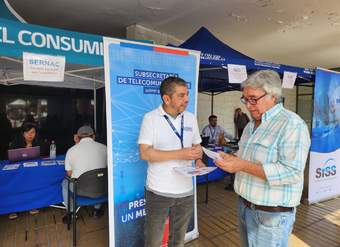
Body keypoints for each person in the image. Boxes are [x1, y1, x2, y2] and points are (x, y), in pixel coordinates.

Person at [215, 70, 311, 247]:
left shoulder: (292, 124)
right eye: (245, 99)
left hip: (271, 216)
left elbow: (292, 172)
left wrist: (241, 164)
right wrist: (230, 158)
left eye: (253, 99)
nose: (248, 106)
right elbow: (245, 157)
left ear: (273, 96)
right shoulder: (252, 125)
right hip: (244, 206)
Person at [138, 76, 204, 247]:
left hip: (186, 191)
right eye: (181, 95)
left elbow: (197, 146)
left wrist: (198, 160)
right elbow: (145, 153)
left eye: (187, 94)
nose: (187, 99)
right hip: (158, 191)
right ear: (166, 99)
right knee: (154, 241)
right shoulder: (150, 118)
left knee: (178, 241)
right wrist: (180, 154)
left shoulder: (190, 118)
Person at [62, 125, 107, 223]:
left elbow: (69, 174)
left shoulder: (71, 151)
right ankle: (96, 210)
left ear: (77, 137)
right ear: (93, 136)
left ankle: (71, 213)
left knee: (65, 183)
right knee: (101, 177)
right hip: (103, 188)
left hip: (81, 190)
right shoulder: (105, 148)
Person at [8, 122, 46, 219]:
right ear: (23, 133)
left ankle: (32, 205)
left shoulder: (38, 140)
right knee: (15, 184)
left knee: (35, 181)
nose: (30, 135)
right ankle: (13, 209)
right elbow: (10, 156)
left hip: (33, 170)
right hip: (19, 171)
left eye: (32, 132)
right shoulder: (16, 141)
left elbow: (45, 152)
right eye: (27, 132)